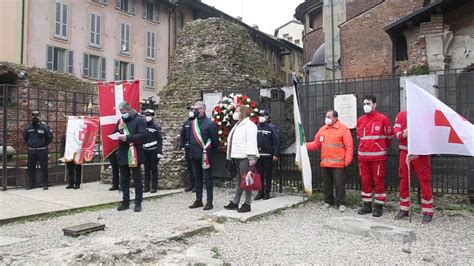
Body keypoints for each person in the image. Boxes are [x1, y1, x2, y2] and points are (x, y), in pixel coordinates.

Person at [306, 110, 353, 212]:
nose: (326, 118)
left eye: (329, 117)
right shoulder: (323, 129)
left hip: (338, 163)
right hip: (325, 163)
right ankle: (328, 201)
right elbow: (316, 144)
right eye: (326, 116)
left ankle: (341, 203)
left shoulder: (343, 129)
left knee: (339, 184)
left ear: (335, 118)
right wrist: (304, 146)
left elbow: (349, 146)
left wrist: (347, 161)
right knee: (327, 184)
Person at [393, 111, 433, 223]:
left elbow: (431, 132)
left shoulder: (425, 114)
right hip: (404, 151)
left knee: (424, 180)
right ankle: (404, 208)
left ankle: (427, 211)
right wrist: (403, 134)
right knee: (404, 180)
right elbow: (395, 130)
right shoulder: (401, 114)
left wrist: (417, 134)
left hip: (420, 153)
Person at [356, 95, 393, 217]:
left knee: (378, 181)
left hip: (378, 158)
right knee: (365, 181)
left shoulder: (383, 119)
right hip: (363, 158)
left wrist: (380, 148)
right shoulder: (360, 120)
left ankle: (378, 206)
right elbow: (359, 137)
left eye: (368, 103)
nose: (366, 106)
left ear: (374, 105)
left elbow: (389, 137)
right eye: (364, 104)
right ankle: (367, 205)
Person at [224, 105, 259, 213]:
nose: (235, 113)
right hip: (237, 156)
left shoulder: (250, 125)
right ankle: (236, 201)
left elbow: (251, 141)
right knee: (239, 180)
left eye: (238, 111)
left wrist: (251, 157)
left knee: (247, 180)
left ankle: (247, 203)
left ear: (243, 113)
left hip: (245, 157)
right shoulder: (237, 125)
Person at [115, 101, 146, 212]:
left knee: (137, 179)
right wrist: (119, 129)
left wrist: (127, 138)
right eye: (120, 112)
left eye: (123, 112)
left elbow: (142, 136)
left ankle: (138, 203)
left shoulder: (139, 120)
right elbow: (115, 133)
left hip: (135, 152)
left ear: (128, 110)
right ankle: (125, 202)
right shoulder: (121, 120)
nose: (122, 114)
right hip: (123, 153)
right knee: (124, 180)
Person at [188, 101, 219, 211]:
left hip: (205, 156)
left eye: (197, 108)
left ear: (202, 109)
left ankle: (209, 201)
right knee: (197, 178)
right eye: (194, 109)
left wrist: (210, 155)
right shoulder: (193, 123)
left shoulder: (210, 124)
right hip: (194, 156)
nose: (194, 111)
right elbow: (190, 138)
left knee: (207, 179)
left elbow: (215, 142)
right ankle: (198, 199)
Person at [23, 111, 53, 190]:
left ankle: (45, 184)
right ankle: (31, 184)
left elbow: (49, 137)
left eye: (36, 115)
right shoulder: (28, 127)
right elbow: (25, 138)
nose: (35, 117)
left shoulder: (44, 127)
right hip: (31, 150)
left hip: (42, 150)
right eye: (33, 115)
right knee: (31, 168)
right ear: (31, 116)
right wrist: (31, 144)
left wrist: (43, 144)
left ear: (39, 117)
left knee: (44, 168)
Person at [254, 109, 280, 200]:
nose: (260, 117)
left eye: (262, 115)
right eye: (259, 115)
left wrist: (275, 154)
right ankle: (260, 191)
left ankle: (267, 192)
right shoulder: (256, 127)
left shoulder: (271, 128)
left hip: (268, 155)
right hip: (258, 155)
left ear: (267, 117)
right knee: (259, 174)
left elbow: (276, 141)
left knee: (267, 175)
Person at [143, 109, 163, 193]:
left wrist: (159, 152)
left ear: (152, 116)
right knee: (146, 169)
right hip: (145, 150)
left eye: (149, 115)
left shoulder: (156, 126)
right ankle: (146, 186)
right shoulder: (142, 126)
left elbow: (159, 140)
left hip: (153, 150)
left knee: (153, 169)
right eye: (146, 115)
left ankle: (154, 187)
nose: (147, 117)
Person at [180, 109, 195, 192]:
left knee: (195, 168)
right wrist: (182, 146)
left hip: (194, 148)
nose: (190, 112)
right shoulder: (186, 123)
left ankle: (196, 185)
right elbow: (182, 135)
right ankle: (191, 184)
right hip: (187, 148)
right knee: (189, 167)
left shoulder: (196, 122)